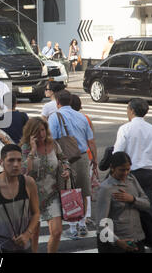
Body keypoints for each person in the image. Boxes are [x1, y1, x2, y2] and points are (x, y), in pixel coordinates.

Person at [48, 90, 98, 239]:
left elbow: (52, 140)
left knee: (68, 191)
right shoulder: (82, 117)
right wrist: (94, 159)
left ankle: (72, 227)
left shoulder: (54, 117)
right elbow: (90, 140)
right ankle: (82, 224)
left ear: (57, 102)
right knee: (83, 191)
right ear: (70, 101)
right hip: (82, 157)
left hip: (64, 159)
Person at [113, 98, 152, 242]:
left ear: (132, 111)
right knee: (151, 209)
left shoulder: (125, 129)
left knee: (130, 209)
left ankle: (134, 242)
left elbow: (118, 154)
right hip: (150, 173)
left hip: (131, 174)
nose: (127, 112)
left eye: (128, 109)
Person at [20, 117, 72, 253]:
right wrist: (32, 150)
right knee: (34, 234)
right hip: (32, 196)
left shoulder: (53, 144)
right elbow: (25, 170)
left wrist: (66, 169)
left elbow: (64, 159)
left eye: (43, 130)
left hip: (51, 194)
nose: (41, 134)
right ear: (30, 133)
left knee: (57, 231)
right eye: (37, 132)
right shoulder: (25, 148)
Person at [96, 152, 150, 253]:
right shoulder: (106, 189)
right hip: (118, 243)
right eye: (122, 170)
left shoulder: (132, 179)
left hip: (137, 239)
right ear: (112, 168)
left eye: (128, 169)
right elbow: (101, 224)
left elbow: (146, 203)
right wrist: (117, 241)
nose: (125, 173)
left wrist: (133, 199)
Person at [70, 94, 96, 226]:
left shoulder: (64, 118)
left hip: (70, 158)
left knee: (73, 189)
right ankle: (86, 216)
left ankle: (75, 219)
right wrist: (95, 160)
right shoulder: (85, 118)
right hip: (87, 157)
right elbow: (91, 141)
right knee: (86, 189)